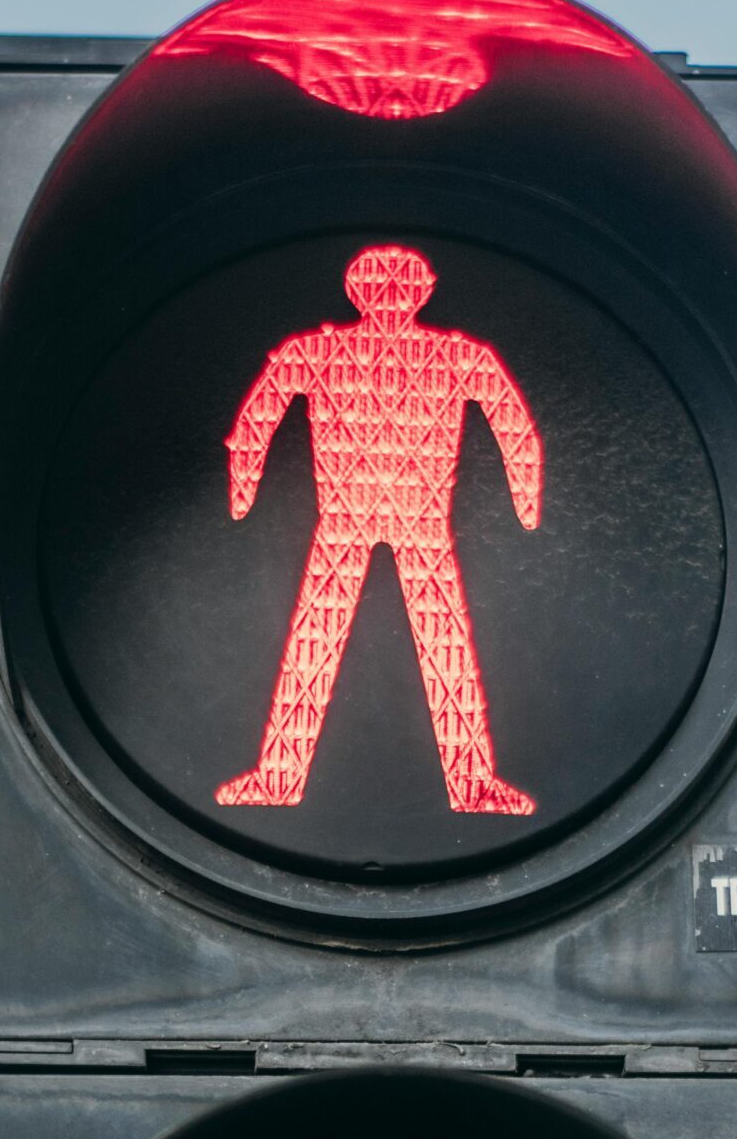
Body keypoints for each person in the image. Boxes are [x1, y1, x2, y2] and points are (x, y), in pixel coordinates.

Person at [217, 244, 542, 816]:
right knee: (344, 646)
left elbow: (511, 422)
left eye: (399, 286)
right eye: (383, 286)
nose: (391, 298)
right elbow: (256, 422)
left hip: (405, 519)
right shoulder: (345, 352)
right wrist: (524, 499)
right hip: (354, 517)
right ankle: (278, 778)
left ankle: (465, 783)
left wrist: (246, 488)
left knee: (429, 651)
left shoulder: (334, 352)